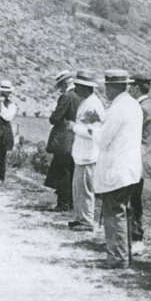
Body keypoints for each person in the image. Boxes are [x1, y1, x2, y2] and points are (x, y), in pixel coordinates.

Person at [93, 70, 143, 269]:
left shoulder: (118, 108)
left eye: (107, 87)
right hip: (130, 169)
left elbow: (103, 139)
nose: (106, 90)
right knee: (123, 212)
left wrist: (94, 127)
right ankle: (124, 254)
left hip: (117, 170)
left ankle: (117, 258)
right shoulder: (133, 105)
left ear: (113, 87)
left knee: (114, 213)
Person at [66, 70, 105, 231]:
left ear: (86, 87)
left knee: (85, 189)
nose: (76, 89)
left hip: (88, 154)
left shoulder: (94, 105)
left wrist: (74, 127)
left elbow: (93, 132)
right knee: (79, 189)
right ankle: (81, 217)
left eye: (79, 86)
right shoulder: (86, 102)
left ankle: (87, 220)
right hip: (81, 154)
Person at [44, 71, 82, 212]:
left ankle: (63, 203)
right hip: (77, 137)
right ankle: (71, 202)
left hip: (65, 138)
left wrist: (53, 115)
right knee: (71, 170)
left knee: (62, 171)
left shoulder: (66, 97)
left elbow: (55, 118)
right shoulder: (80, 95)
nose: (59, 88)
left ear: (64, 83)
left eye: (60, 85)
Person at [129, 73, 151, 248]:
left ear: (137, 87)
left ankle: (135, 237)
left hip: (136, 158)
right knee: (135, 198)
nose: (129, 89)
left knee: (132, 199)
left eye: (131, 86)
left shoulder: (140, 108)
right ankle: (136, 236)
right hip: (146, 158)